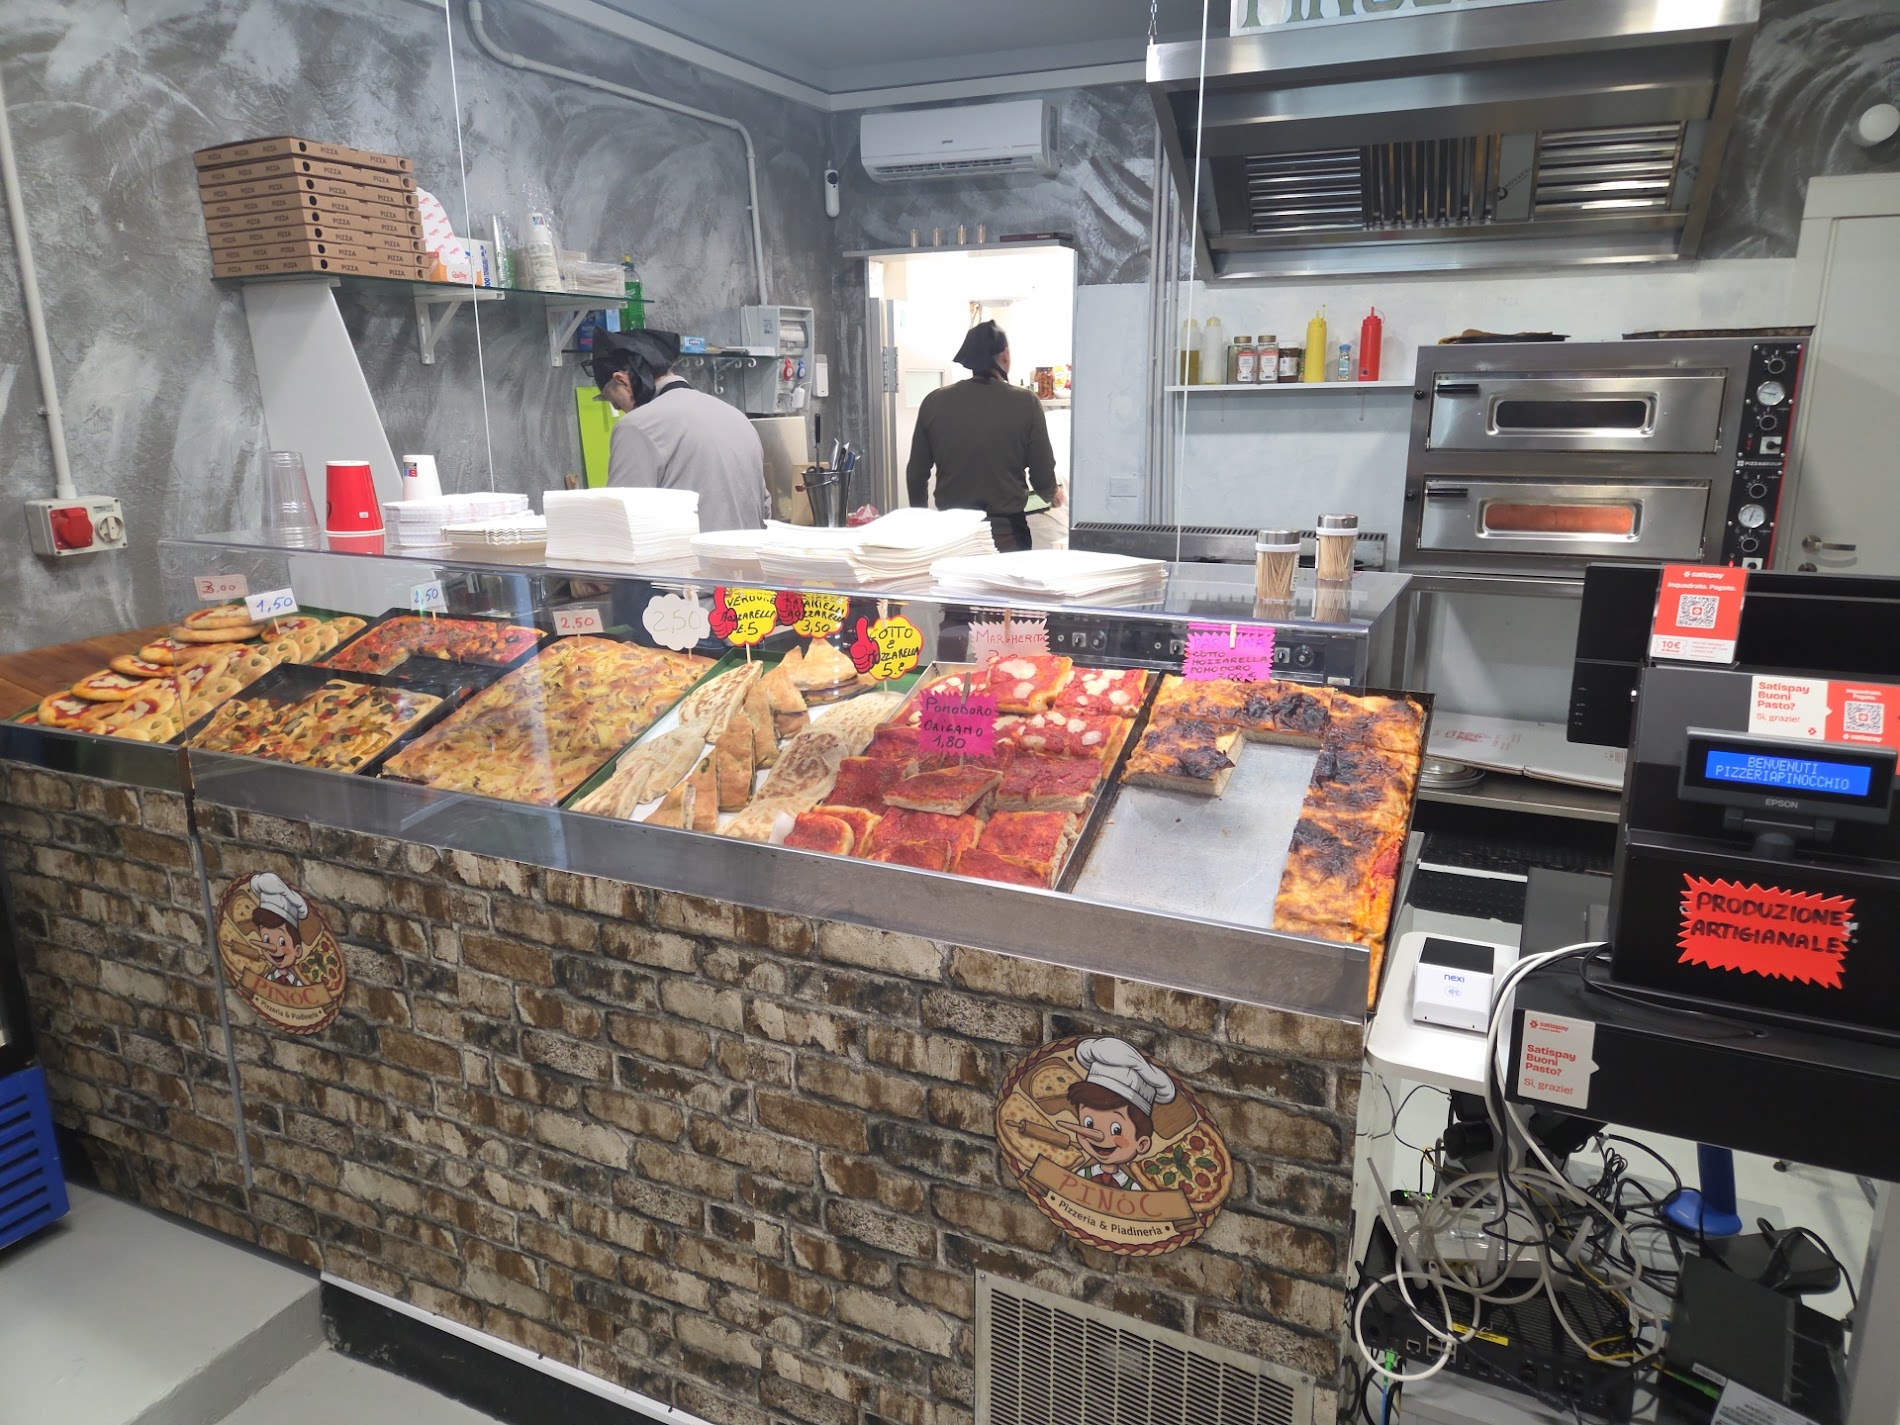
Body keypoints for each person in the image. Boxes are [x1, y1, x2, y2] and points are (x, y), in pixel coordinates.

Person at [906, 320, 1060, 553]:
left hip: (952, 535)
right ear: (1005, 355)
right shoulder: (1026, 403)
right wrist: (1052, 493)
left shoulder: (934, 402)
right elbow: (1042, 475)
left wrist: (922, 524)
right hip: (1005, 535)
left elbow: (916, 474)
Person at [594, 328, 768, 532]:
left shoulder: (637, 425)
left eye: (616, 402)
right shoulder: (738, 418)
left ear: (621, 381)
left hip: (689, 553)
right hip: (750, 551)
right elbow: (764, 508)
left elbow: (622, 519)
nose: (620, 409)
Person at [1062, 1037, 1176, 1191]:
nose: (1098, 1135)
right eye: (1089, 1123)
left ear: (1142, 1144)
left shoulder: (1133, 1188)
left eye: (1116, 1129)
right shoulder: (1080, 1176)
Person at [247, 872, 309, 986]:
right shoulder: (267, 979)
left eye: (282, 942)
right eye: (266, 940)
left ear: (298, 950)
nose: (273, 948)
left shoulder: (298, 984)